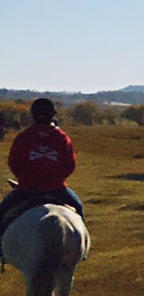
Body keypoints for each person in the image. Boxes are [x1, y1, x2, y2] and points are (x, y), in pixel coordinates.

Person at [0, 98, 85, 239]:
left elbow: (14, 162)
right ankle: (83, 248)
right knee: (79, 208)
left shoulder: (23, 136)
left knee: (3, 210)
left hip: (27, 189)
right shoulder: (62, 137)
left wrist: (26, 180)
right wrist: (55, 180)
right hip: (57, 189)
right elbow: (70, 164)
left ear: (33, 114)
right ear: (53, 114)